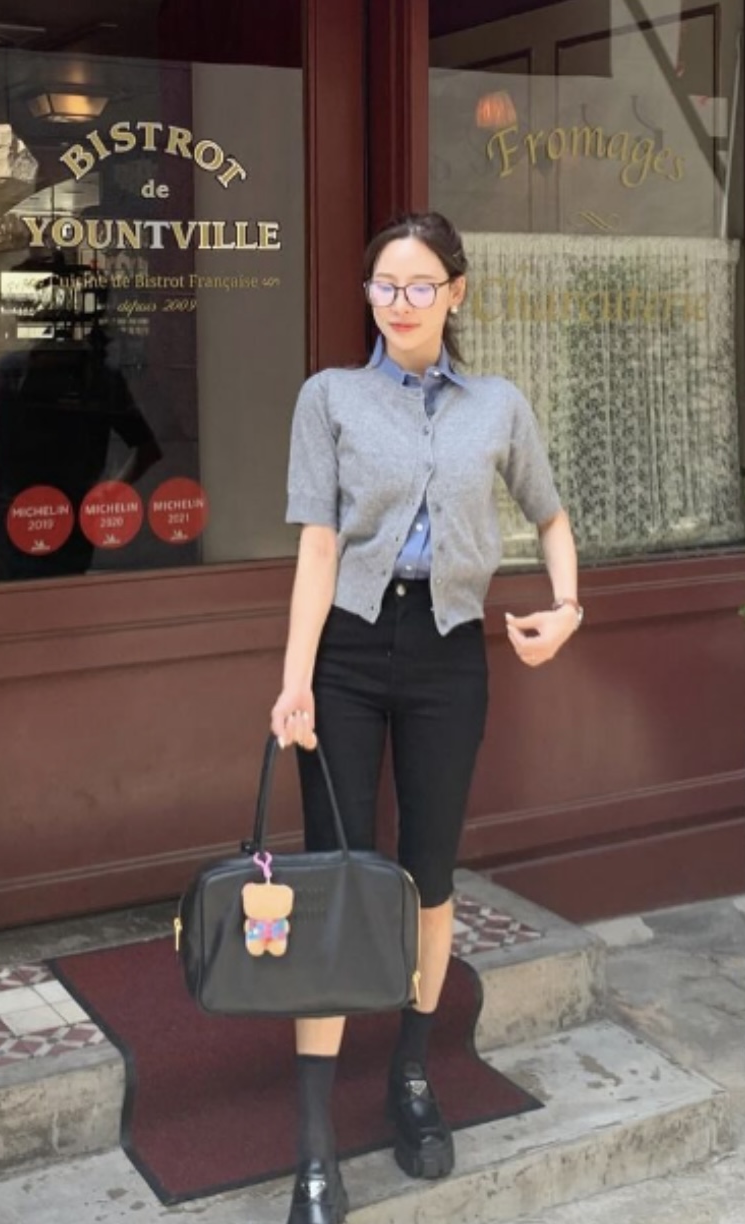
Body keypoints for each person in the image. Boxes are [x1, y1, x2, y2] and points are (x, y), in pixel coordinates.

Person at [270, 211, 581, 1224]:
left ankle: (410, 1070)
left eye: (417, 286)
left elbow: (548, 513)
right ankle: (315, 1144)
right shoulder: (329, 397)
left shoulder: (497, 405)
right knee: (334, 880)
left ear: (456, 291)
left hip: (449, 653)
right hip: (350, 652)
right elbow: (318, 547)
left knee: (429, 876)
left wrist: (566, 606)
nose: (398, 304)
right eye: (383, 287)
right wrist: (295, 680)